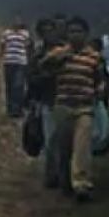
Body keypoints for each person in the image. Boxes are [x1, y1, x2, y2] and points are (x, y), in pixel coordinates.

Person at [44, 16, 107, 201]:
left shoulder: (94, 57)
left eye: (79, 31)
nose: (75, 35)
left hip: (84, 107)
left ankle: (82, 184)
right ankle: (64, 181)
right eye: (72, 31)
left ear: (86, 34)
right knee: (63, 147)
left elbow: (100, 79)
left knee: (82, 146)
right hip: (63, 106)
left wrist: (100, 90)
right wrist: (58, 59)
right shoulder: (59, 53)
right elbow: (43, 67)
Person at [25, 14, 67, 188]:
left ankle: (64, 175)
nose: (50, 33)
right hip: (46, 101)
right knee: (50, 140)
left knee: (65, 140)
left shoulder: (67, 50)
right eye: (46, 31)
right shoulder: (38, 53)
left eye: (52, 29)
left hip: (67, 99)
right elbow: (31, 76)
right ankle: (52, 176)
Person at [0, 18, 32, 118]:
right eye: (15, 21)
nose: (17, 22)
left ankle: (17, 109)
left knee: (18, 86)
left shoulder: (25, 34)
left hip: (21, 62)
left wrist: (29, 61)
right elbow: (3, 47)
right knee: (9, 86)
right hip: (9, 61)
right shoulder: (6, 33)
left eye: (19, 21)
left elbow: (28, 48)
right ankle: (10, 109)